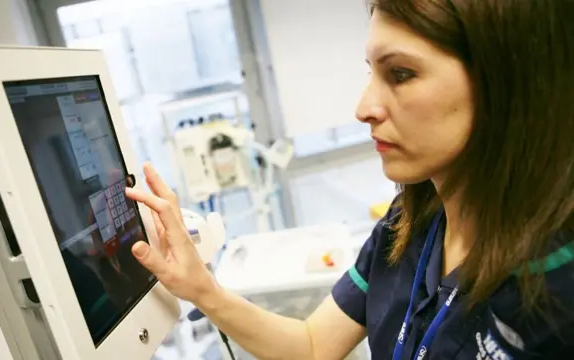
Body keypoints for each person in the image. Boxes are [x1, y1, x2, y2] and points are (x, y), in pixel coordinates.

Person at [125, 1, 574, 359]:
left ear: (505, 84)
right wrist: (200, 288)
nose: (363, 107)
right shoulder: (409, 225)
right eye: (371, 71)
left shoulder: (558, 282)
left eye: (401, 74)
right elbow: (315, 346)